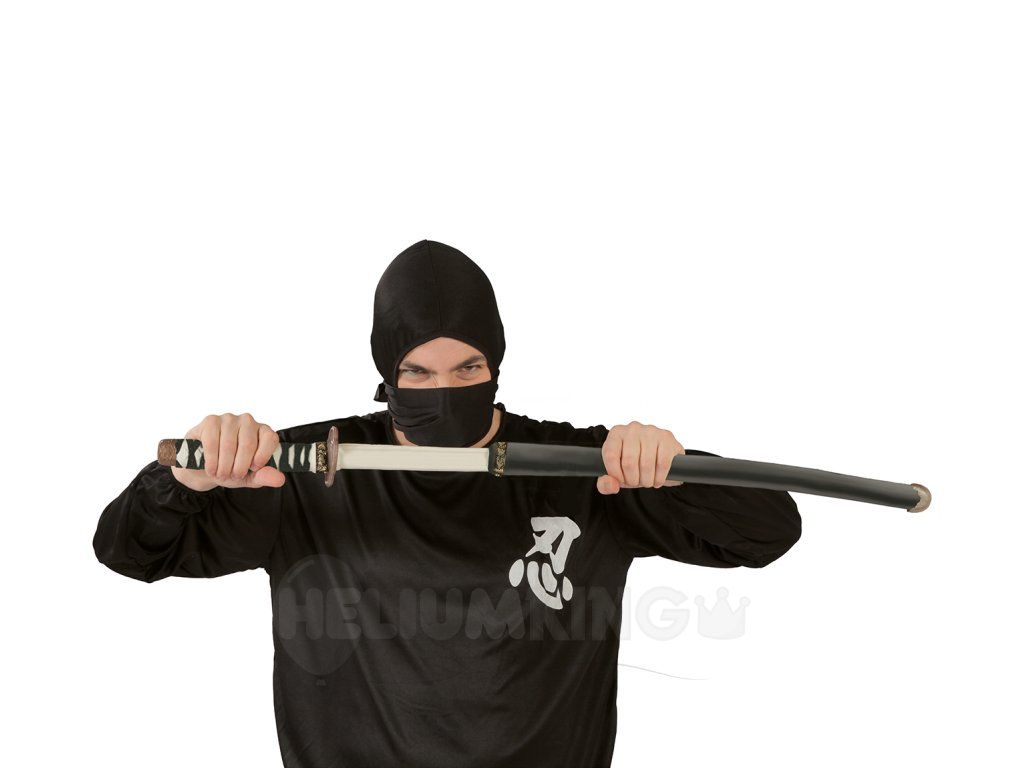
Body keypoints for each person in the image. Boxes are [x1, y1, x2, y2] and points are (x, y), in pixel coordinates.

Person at [93, 239, 802, 768]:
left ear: (496, 363)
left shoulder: (587, 469)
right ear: (386, 372)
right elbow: (128, 551)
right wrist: (185, 480)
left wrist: (676, 472)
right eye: (418, 372)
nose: (445, 391)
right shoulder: (302, 471)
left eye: (468, 369)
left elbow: (768, 532)